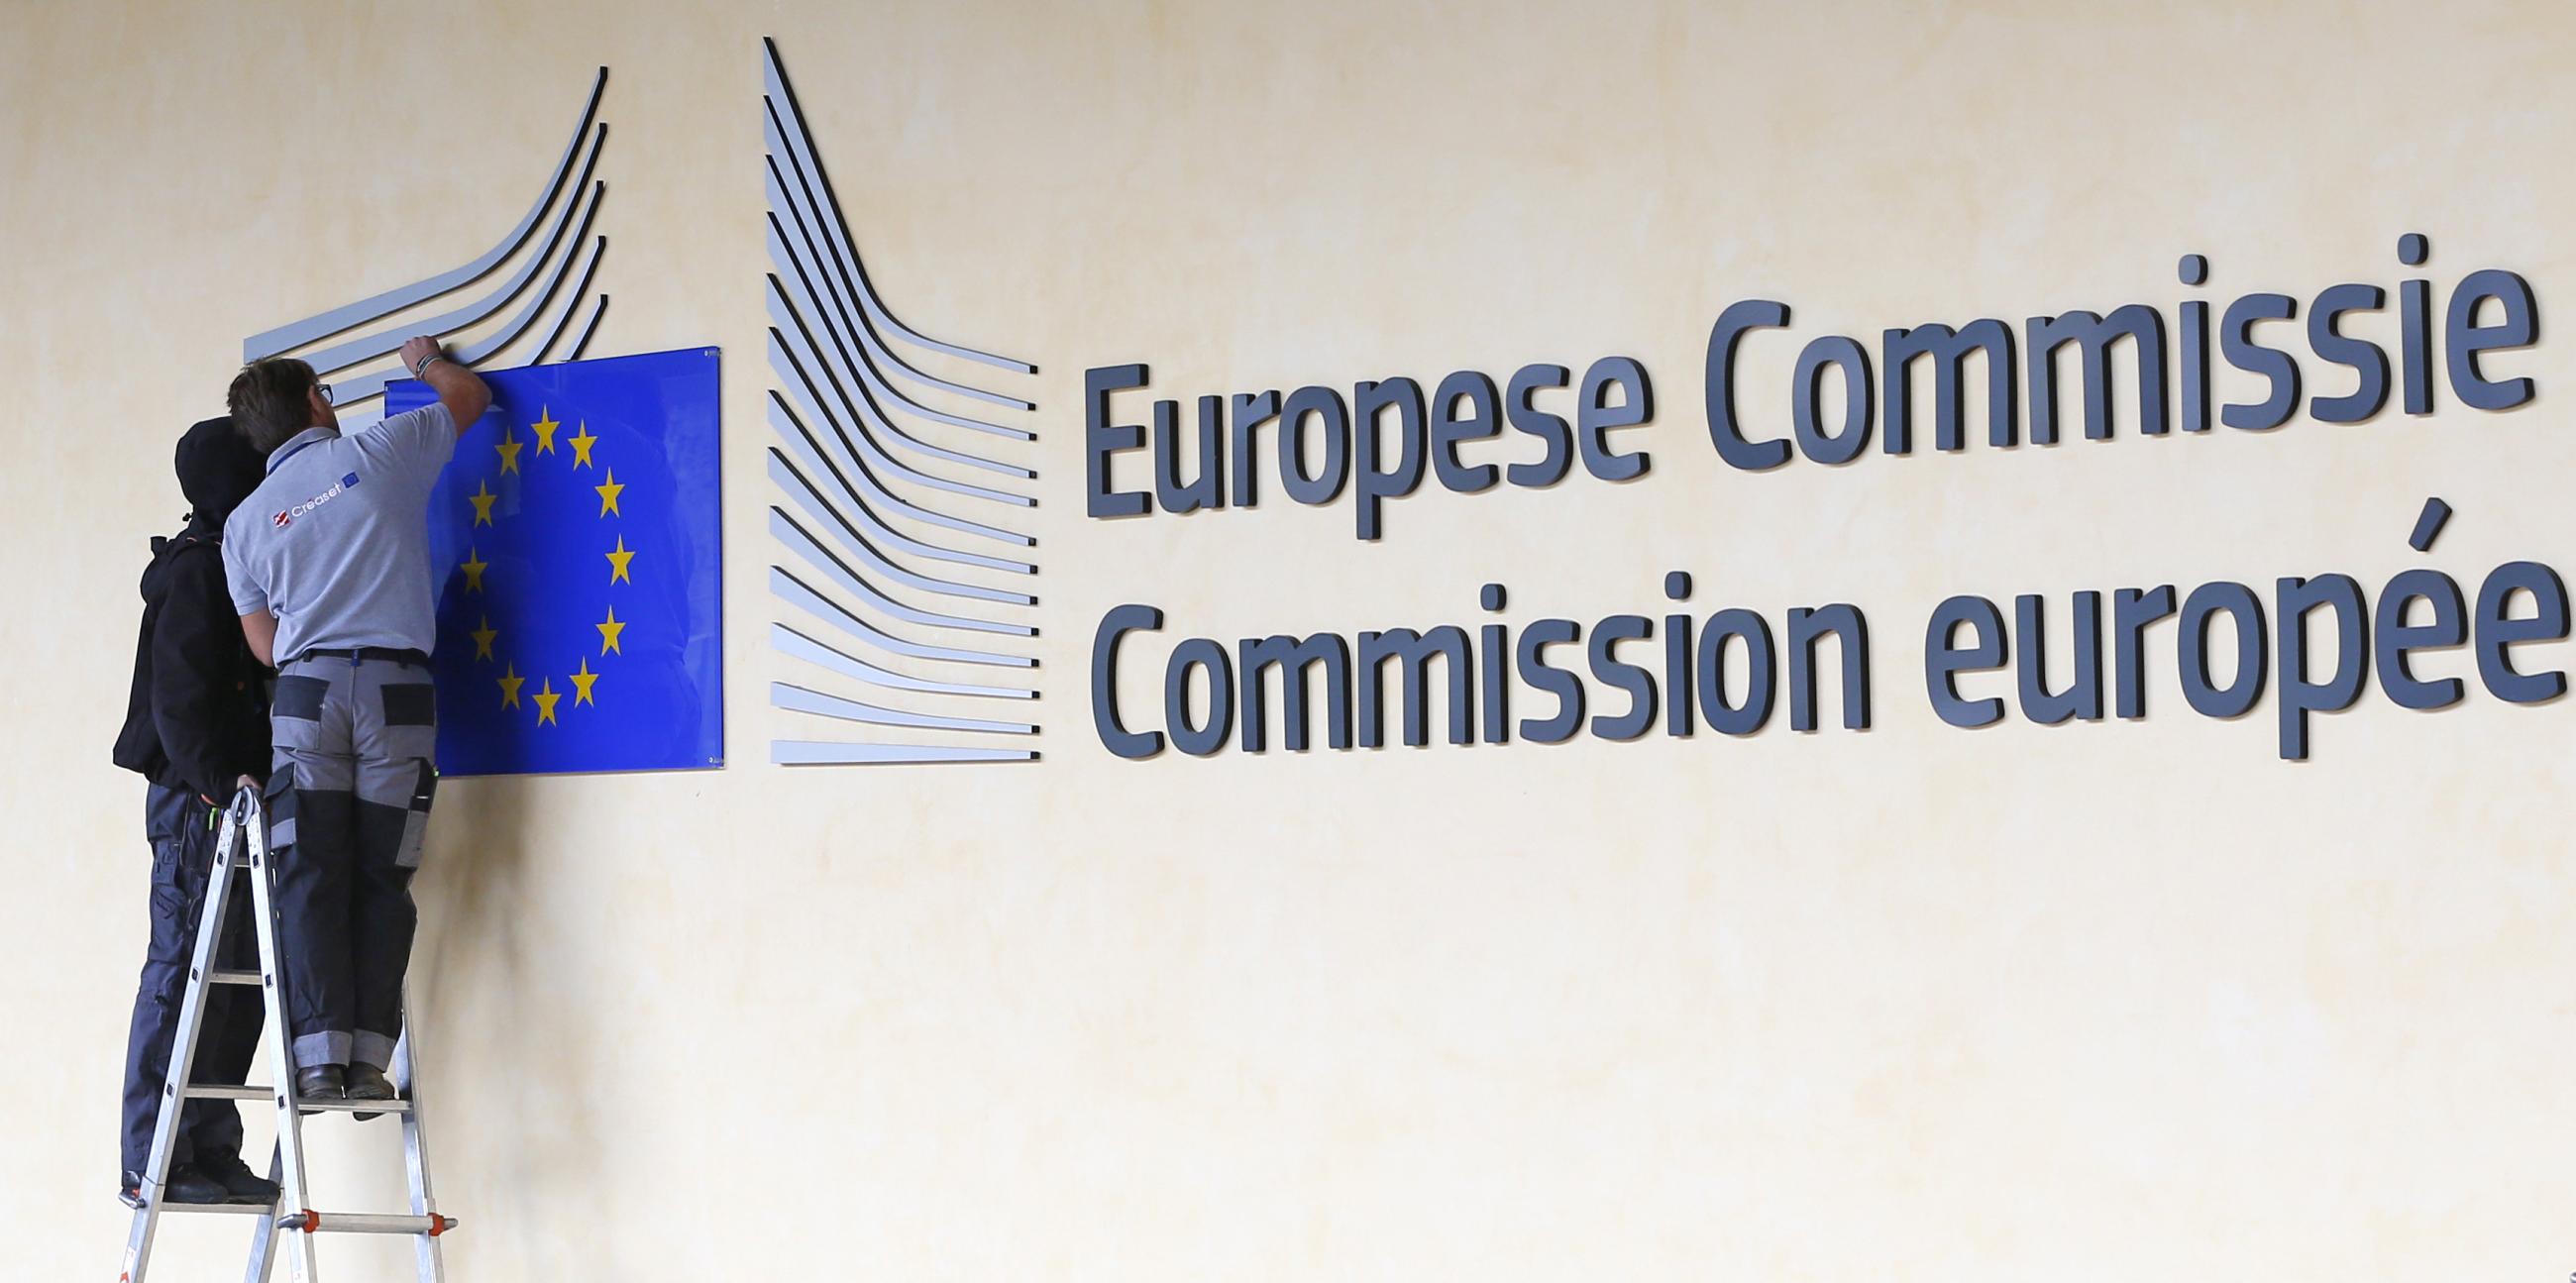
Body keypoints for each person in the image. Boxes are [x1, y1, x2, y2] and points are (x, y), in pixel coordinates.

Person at [221, 339, 488, 1107]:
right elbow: (468, 400)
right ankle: (370, 1061)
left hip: (306, 698)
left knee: (309, 873)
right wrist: (428, 363)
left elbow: (265, 641)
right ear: (317, 402)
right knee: (383, 871)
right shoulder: (382, 451)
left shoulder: (244, 526)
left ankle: (315, 1059)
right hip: (398, 699)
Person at [110, 416, 285, 1207]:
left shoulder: (238, 560)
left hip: (236, 800)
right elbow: (175, 706)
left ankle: (212, 1150)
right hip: (198, 801)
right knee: (182, 968)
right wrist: (219, 783)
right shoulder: (198, 570)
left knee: (240, 979)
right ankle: (155, 1156)